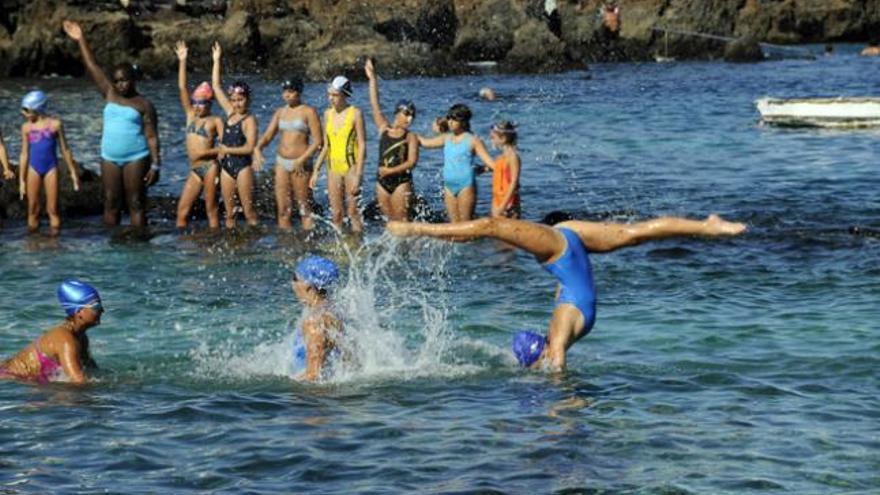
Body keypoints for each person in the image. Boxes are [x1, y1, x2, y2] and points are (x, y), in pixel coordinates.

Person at [387, 214, 746, 371]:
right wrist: (561, 409)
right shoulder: (561, 326)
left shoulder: (563, 320)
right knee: (490, 225)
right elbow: (557, 359)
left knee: (634, 234)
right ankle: (706, 227)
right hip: (565, 244)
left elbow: (557, 350)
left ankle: (707, 226)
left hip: (568, 249)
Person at [63, 20, 160, 228]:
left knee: (136, 203)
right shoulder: (109, 93)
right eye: (117, 80)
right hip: (110, 158)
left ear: (133, 79)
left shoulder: (144, 104)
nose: (120, 84)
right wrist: (81, 39)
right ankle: (110, 252)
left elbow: (152, 136)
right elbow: (92, 66)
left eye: (124, 80)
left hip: (136, 158)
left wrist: (156, 164)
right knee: (110, 202)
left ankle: (139, 244)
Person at [0, 280, 103, 384]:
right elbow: (78, 383)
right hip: (8, 380)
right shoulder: (66, 341)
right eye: (96, 307)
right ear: (78, 311)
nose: (102, 310)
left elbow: (93, 372)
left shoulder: (81, 338)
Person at [255, 77, 323, 231]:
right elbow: (267, 136)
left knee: (304, 208)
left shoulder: (308, 111)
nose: (287, 95)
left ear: (298, 92)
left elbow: (318, 142)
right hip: (281, 163)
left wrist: (302, 159)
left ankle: (308, 244)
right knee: (283, 209)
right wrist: (258, 149)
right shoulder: (280, 112)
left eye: (291, 92)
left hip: (301, 164)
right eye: (285, 91)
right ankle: (285, 246)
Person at [174, 41, 223, 231]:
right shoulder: (190, 116)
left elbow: (225, 147)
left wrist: (207, 153)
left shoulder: (215, 121)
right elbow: (181, 87)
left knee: (211, 210)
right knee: (182, 213)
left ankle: (215, 244)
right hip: (194, 170)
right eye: (195, 101)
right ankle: (183, 247)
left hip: (210, 168)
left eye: (201, 102)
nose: (196, 105)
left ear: (210, 103)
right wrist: (182, 61)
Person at [18, 90, 82, 234]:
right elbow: (24, 154)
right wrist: (22, 179)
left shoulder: (55, 125)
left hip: (51, 168)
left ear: (37, 108)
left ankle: (54, 243)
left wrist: (73, 172)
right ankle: (33, 241)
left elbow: (65, 149)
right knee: (33, 208)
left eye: (26, 110)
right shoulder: (26, 128)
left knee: (52, 209)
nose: (23, 113)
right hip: (33, 169)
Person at [211, 42, 259, 228]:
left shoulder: (249, 120)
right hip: (227, 169)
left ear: (247, 99)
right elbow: (216, 86)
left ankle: (256, 245)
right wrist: (217, 60)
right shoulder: (230, 112)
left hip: (243, 167)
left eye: (240, 100)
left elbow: (249, 147)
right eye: (234, 100)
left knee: (248, 211)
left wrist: (226, 148)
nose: (237, 104)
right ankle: (232, 245)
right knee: (229, 213)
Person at [364, 59, 419, 222]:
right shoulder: (384, 129)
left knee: (403, 222)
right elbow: (375, 104)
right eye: (407, 114)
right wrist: (372, 79)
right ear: (397, 113)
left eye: (412, 115)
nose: (410, 118)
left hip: (401, 183)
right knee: (388, 223)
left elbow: (411, 163)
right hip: (382, 183)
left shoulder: (411, 137)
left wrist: (390, 171)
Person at [418, 104, 493, 222]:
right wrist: (408, 135)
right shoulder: (446, 138)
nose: (450, 122)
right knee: (453, 225)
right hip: (448, 187)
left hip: (466, 186)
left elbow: (491, 163)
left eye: (454, 119)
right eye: (449, 118)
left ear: (463, 122)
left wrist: (483, 169)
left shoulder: (473, 140)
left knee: (465, 223)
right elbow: (424, 143)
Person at [310, 76, 366, 233]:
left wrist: (358, 174)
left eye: (335, 95)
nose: (330, 98)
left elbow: (362, 145)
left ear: (344, 94)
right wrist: (316, 170)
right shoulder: (327, 114)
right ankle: (339, 248)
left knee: (353, 212)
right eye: (329, 95)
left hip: (351, 168)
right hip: (333, 169)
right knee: (336, 214)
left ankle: (358, 246)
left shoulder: (355, 114)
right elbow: (326, 146)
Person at [289, 256, 343, 381]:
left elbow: (314, 376)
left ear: (308, 285)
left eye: (295, 278)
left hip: (314, 398)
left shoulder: (314, 321)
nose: (292, 283)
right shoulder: (337, 311)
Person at [485, 120, 521, 219]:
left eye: (493, 138)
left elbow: (513, 183)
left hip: (509, 203)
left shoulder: (513, 157)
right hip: (497, 199)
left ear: (503, 138)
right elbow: (500, 170)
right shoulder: (501, 157)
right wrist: (484, 169)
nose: (491, 141)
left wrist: (502, 206)